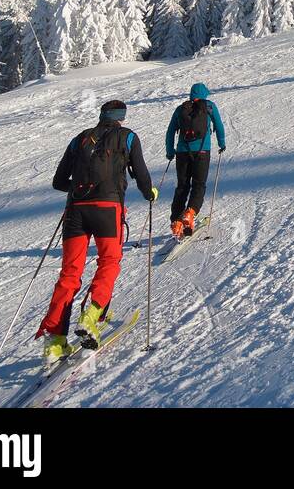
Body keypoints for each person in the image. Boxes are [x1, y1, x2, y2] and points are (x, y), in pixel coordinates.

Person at [36, 100, 157, 361]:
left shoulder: (80, 138)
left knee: (69, 273)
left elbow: (58, 182)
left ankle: (55, 341)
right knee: (109, 262)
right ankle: (91, 315)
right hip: (108, 210)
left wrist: (81, 190)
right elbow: (143, 175)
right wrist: (150, 193)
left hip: (76, 212)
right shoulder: (128, 137)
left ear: (101, 116)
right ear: (120, 118)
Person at [165, 83, 227, 239]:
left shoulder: (181, 109)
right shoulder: (209, 106)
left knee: (182, 186)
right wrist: (221, 143)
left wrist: (170, 151)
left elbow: (170, 131)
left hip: (182, 153)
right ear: (205, 94)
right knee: (198, 184)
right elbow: (219, 125)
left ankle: (176, 222)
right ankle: (190, 212)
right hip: (202, 151)